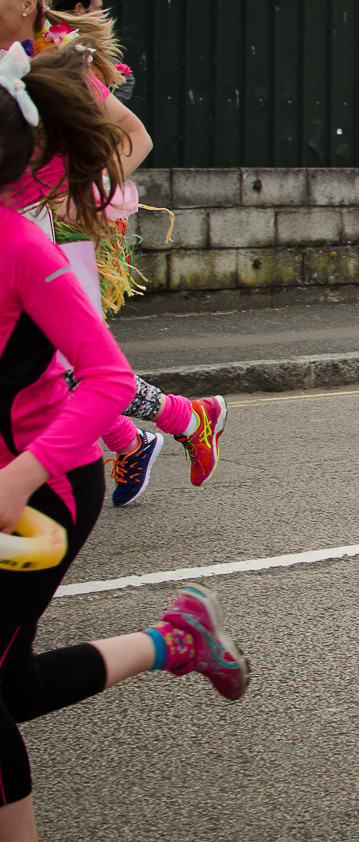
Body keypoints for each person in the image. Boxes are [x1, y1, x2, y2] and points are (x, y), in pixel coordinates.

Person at [0, 41, 250, 842]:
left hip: (46, 490)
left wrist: (18, 478)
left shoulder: (23, 250)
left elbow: (105, 379)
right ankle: (176, 640)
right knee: (12, 685)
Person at [0, 0, 223, 506]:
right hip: (19, 219)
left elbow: (134, 135)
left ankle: (174, 421)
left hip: (51, 225)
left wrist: (85, 193)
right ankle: (141, 435)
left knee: (64, 364)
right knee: (51, 365)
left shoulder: (52, 61)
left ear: (27, 3)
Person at [54, 0, 133, 101]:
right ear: (79, 9)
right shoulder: (59, 49)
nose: (102, 15)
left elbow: (125, 77)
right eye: (98, 8)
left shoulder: (45, 41)